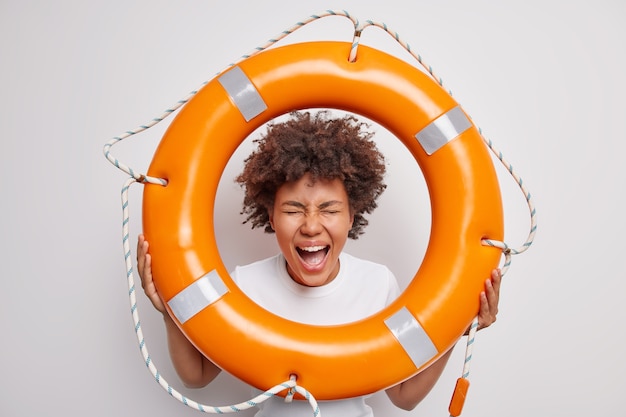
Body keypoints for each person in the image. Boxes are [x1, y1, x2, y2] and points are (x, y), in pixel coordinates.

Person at [137, 111, 501, 416]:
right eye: (293, 210)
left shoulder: (377, 283)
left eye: (329, 210)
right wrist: (170, 307)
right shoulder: (244, 285)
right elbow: (196, 376)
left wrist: (457, 321)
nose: (311, 226)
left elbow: (404, 397)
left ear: (352, 214)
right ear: (270, 215)